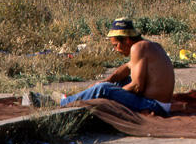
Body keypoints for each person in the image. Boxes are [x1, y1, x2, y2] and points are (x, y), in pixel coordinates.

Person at [25, 18, 175, 116]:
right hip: (160, 103)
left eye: (116, 45)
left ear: (127, 40)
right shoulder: (149, 46)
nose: (115, 49)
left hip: (155, 107)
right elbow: (126, 68)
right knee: (108, 84)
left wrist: (108, 90)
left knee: (103, 90)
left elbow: (137, 87)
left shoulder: (138, 48)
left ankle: (60, 103)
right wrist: (107, 80)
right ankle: (74, 98)